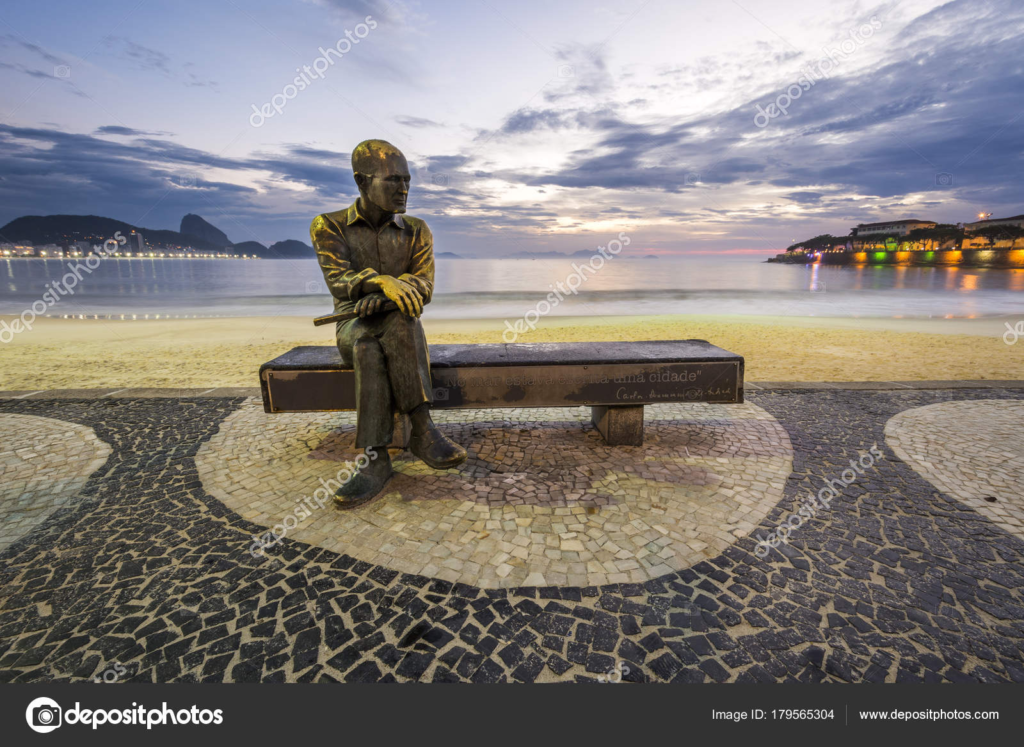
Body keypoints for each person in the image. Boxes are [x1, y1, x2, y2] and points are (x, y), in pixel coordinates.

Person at [310, 139, 466, 508]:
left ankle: (389, 449)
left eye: (407, 180)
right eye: (393, 180)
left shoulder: (417, 230)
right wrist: (382, 281)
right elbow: (338, 281)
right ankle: (406, 441)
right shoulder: (328, 226)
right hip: (352, 326)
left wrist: (394, 294)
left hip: (398, 327)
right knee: (366, 341)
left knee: (398, 321)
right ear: (362, 182)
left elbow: (424, 287)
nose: (404, 189)